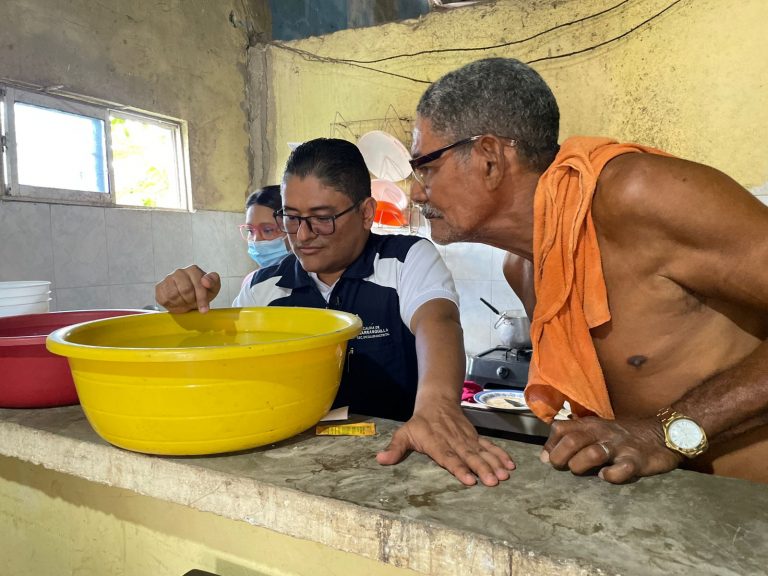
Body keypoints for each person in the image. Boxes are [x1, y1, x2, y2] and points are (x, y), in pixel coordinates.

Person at [409, 57, 768, 484]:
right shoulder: (523, 268)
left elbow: (651, 436)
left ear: (489, 158)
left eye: (425, 167)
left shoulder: (637, 194)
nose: (415, 192)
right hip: (669, 525)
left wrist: (666, 434)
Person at [156, 137, 516, 487]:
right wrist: (191, 316)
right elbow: (227, 371)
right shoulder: (262, 287)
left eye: (322, 218)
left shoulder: (405, 259)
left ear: (365, 213)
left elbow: (438, 320)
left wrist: (436, 406)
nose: (302, 235)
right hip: (294, 464)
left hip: (396, 461)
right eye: (291, 217)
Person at [239, 185, 291, 287]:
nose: (256, 240)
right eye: (250, 230)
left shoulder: (316, 281)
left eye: (267, 230)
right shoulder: (251, 281)